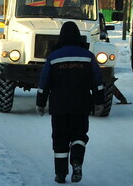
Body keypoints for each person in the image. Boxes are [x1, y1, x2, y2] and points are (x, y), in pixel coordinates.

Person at [36, 21, 105, 184]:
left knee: (60, 139)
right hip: (81, 105)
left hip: (59, 106)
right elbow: (97, 81)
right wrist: (99, 101)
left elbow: (44, 82)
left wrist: (40, 102)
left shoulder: (53, 57)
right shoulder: (87, 57)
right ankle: (77, 162)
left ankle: (60, 174)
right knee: (79, 136)